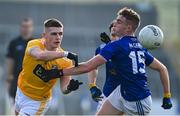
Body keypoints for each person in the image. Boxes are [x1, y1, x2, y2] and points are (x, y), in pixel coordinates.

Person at [34, 7, 172, 115]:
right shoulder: (140, 46)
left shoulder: (116, 46)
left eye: (119, 22)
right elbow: (162, 68)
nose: (114, 24)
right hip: (121, 92)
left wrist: (57, 73)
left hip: (137, 100)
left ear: (128, 28)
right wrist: (167, 95)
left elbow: (88, 66)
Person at [15, 18, 82, 115]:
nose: (58, 37)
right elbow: (40, 56)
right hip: (20, 91)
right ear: (44, 35)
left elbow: (64, 89)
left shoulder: (65, 62)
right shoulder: (34, 44)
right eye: (54, 34)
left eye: (60, 34)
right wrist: (65, 53)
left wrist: (70, 88)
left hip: (37, 102)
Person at [88, 21, 121, 112]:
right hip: (108, 94)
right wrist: (92, 86)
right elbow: (92, 66)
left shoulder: (132, 48)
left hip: (129, 95)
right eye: (113, 35)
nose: (115, 38)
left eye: (117, 35)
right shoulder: (103, 48)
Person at [6, 18, 34, 102]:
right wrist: (9, 75)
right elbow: (10, 59)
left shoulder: (36, 43)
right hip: (17, 77)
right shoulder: (14, 43)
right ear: (20, 27)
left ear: (31, 28)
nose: (26, 28)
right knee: (15, 101)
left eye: (28, 26)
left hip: (31, 79)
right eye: (24, 26)